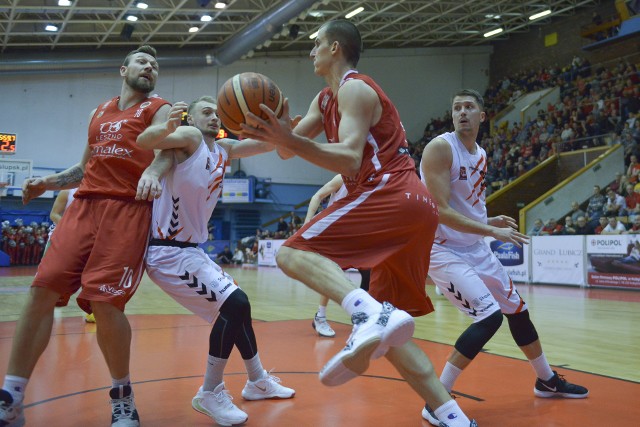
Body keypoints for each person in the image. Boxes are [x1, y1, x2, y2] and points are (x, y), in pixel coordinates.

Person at [241, 19, 475, 427]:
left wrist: (289, 140)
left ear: (335, 47)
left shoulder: (354, 88)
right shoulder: (325, 99)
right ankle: (450, 414)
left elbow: (349, 158)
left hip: (390, 192)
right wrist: (218, 147)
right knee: (394, 336)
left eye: (316, 44)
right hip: (410, 207)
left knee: (292, 252)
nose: (310, 50)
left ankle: (365, 314)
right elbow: (281, 148)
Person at [1, 45, 171, 427]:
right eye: (142, 61)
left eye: (155, 64)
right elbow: (84, 166)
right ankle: (11, 395)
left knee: (106, 304)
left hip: (126, 210)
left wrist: (153, 172)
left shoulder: (158, 107)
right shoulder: (99, 111)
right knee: (41, 291)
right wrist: (48, 182)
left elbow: (168, 152)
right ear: (123, 69)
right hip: (83, 207)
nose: (150, 67)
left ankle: (122, 396)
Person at [420, 89, 588, 426]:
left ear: (483, 116)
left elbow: (468, 205)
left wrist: (487, 222)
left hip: (475, 245)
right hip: (443, 249)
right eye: (456, 108)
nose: (462, 112)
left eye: (469, 107)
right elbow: (439, 211)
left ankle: (546, 379)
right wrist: (492, 232)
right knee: (489, 317)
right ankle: (436, 400)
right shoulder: (441, 147)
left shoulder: (480, 153)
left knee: (518, 310)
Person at [137, 95, 294, 426]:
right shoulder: (190, 139)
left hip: (192, 251)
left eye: (216, 113)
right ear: (191, 120)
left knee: (241, 307)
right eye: (206, 112)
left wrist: (284, 128)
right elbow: (148, 142)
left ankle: (257, 381)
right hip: (168, 252)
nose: (213, 117)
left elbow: (265, 146)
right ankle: (209, 392)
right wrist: (165, 127)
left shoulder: (224, 151)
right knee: (234, 304)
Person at [304, 174, 371, 338]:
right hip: (333, 230)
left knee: (369, 272)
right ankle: (320, 316)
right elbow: (317, 196)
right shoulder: (342, 178)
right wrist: (307, 223)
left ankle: (361, 315)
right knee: (333, 273)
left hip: (351, 232)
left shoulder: (367, 180)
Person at [46, 188, 96, 323]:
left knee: (90, 276)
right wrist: (72, 228)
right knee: (52, 275)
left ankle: (91, 310)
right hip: (62, 236)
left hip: (87, 238)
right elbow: (54, 214)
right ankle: (46, 307)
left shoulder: (97, 192)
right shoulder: (67, 192)